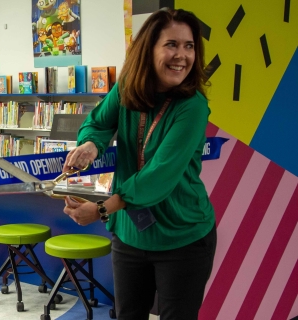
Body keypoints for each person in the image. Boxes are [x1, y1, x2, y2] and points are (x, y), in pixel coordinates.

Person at [62, 8, 216, 320]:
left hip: (182, 237)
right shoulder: (127, 87)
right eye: (171, 44)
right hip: (131, 233)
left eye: (189, 46)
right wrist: (92, 144)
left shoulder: (193, 106)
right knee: (128, 314)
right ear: (149, 48)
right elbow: (97, 123)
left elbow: (159, 176)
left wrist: (102, 208)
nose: (182, 55)